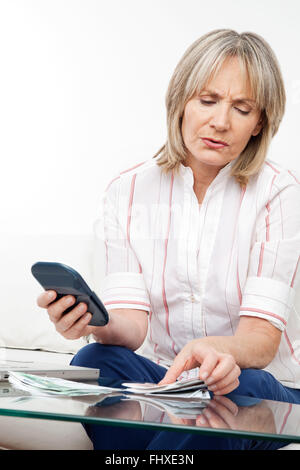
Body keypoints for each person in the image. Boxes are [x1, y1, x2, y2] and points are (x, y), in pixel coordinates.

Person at [37, 29, 300, 450]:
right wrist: (93, 322)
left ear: (259, 123)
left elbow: (261, 342)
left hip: (256, 385)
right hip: (166, 385)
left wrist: (207, 350)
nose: (220, 121)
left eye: (242, 108)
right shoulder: (128, 190)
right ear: (181, 102)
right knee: (93, 360)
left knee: (232, 391)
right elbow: (132, 327)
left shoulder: (280, 192)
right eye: (208, 100)